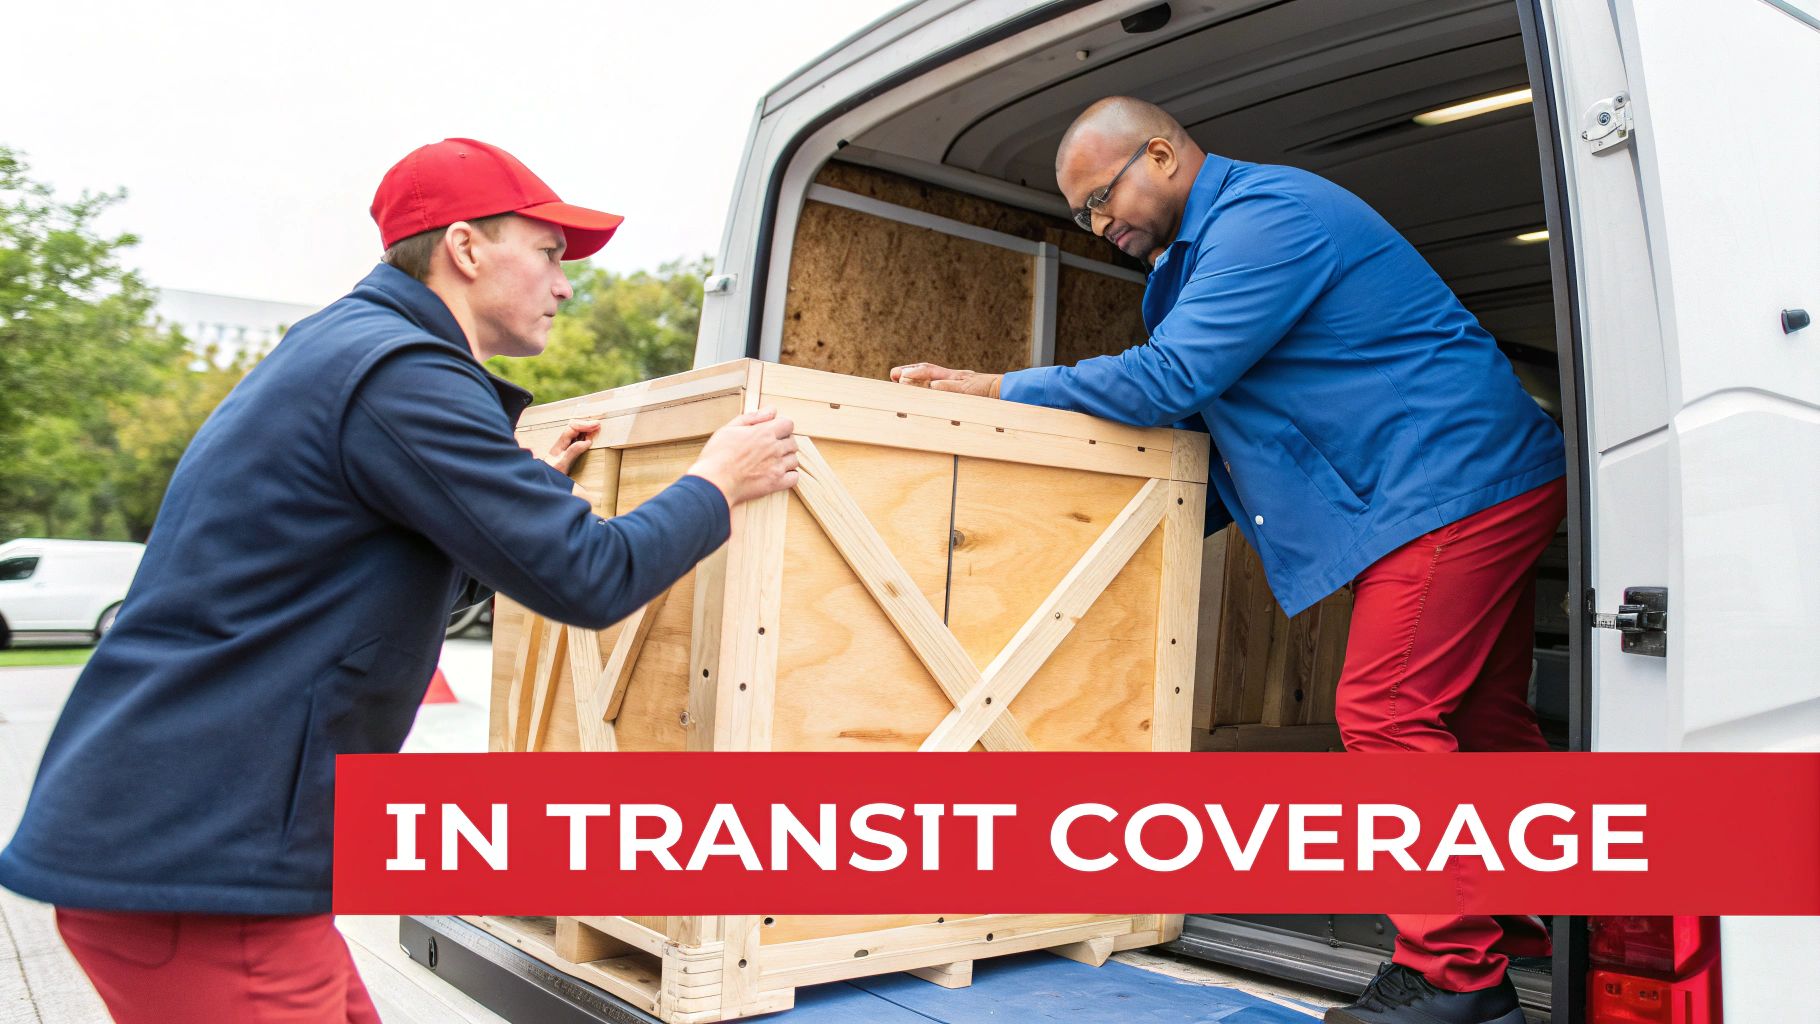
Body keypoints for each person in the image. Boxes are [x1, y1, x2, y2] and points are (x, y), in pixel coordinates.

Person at [0, 137, 799, 1022]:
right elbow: (588, 576)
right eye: (548, 253)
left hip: (200, 852)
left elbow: (384, 579)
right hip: (204, 873)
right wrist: (716, 483)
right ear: (463, 248)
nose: (566, 284)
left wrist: (500, 499)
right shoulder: (400, 374)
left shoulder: (354, 353)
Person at [892, 98, 1563, 1024]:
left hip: (1451, 478)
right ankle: (1527, 929)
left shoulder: (1267, 220)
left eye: (1100, 200)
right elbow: (1218, 434)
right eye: (1082, 215)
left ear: (1161, 154)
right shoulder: (1189, 267)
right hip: (1450, 482)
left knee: (1388, 712)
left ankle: (1457, 978)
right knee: (1480, 717)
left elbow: (1168, 378)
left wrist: (1003, 387)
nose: (1097, 226)